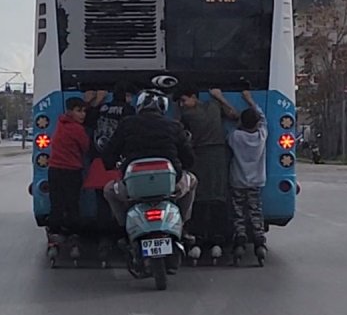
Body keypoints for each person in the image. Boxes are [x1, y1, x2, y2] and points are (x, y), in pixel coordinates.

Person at [100, 90, 197, 231]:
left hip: (132, 190)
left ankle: (124, 228)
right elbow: (189, 160)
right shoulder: (174, 126)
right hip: (171, 187)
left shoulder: (126, 124)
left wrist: (112, 163)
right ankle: (182, 224)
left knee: (109, 190)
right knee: (192, 181)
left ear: (139, 105)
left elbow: (109, 154)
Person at [176, 86, 240, 242]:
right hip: (219, 156)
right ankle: (219, 234)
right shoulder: (214, 106)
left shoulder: (186, 115)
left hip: (199, 156)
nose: (182, 104)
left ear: (193, 96)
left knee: (199, 196)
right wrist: (220, 97)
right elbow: (234, 115)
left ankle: (199, 233)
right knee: (219, 195)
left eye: (183, 100)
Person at [227, 106, 268, 259]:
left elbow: (232, 133)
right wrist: (249, 98)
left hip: (237, 180)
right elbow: (263, 119)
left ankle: (240, 239)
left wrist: (237, 120)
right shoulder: (261, 136)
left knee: (238, 212)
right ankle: (259, 240)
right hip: (256, 181)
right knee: (255, 210)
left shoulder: (235, 136)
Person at [46, 97, 90, 238]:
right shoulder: (77, 129)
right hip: (71, 171)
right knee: (72, 204)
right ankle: (74, 233)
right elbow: (86, 147)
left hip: (54, 170)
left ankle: (54, 232)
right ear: (70, 112)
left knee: (56, 203)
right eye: (79, 111)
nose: (82, 114)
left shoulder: (60, 123)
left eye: (84, 111)